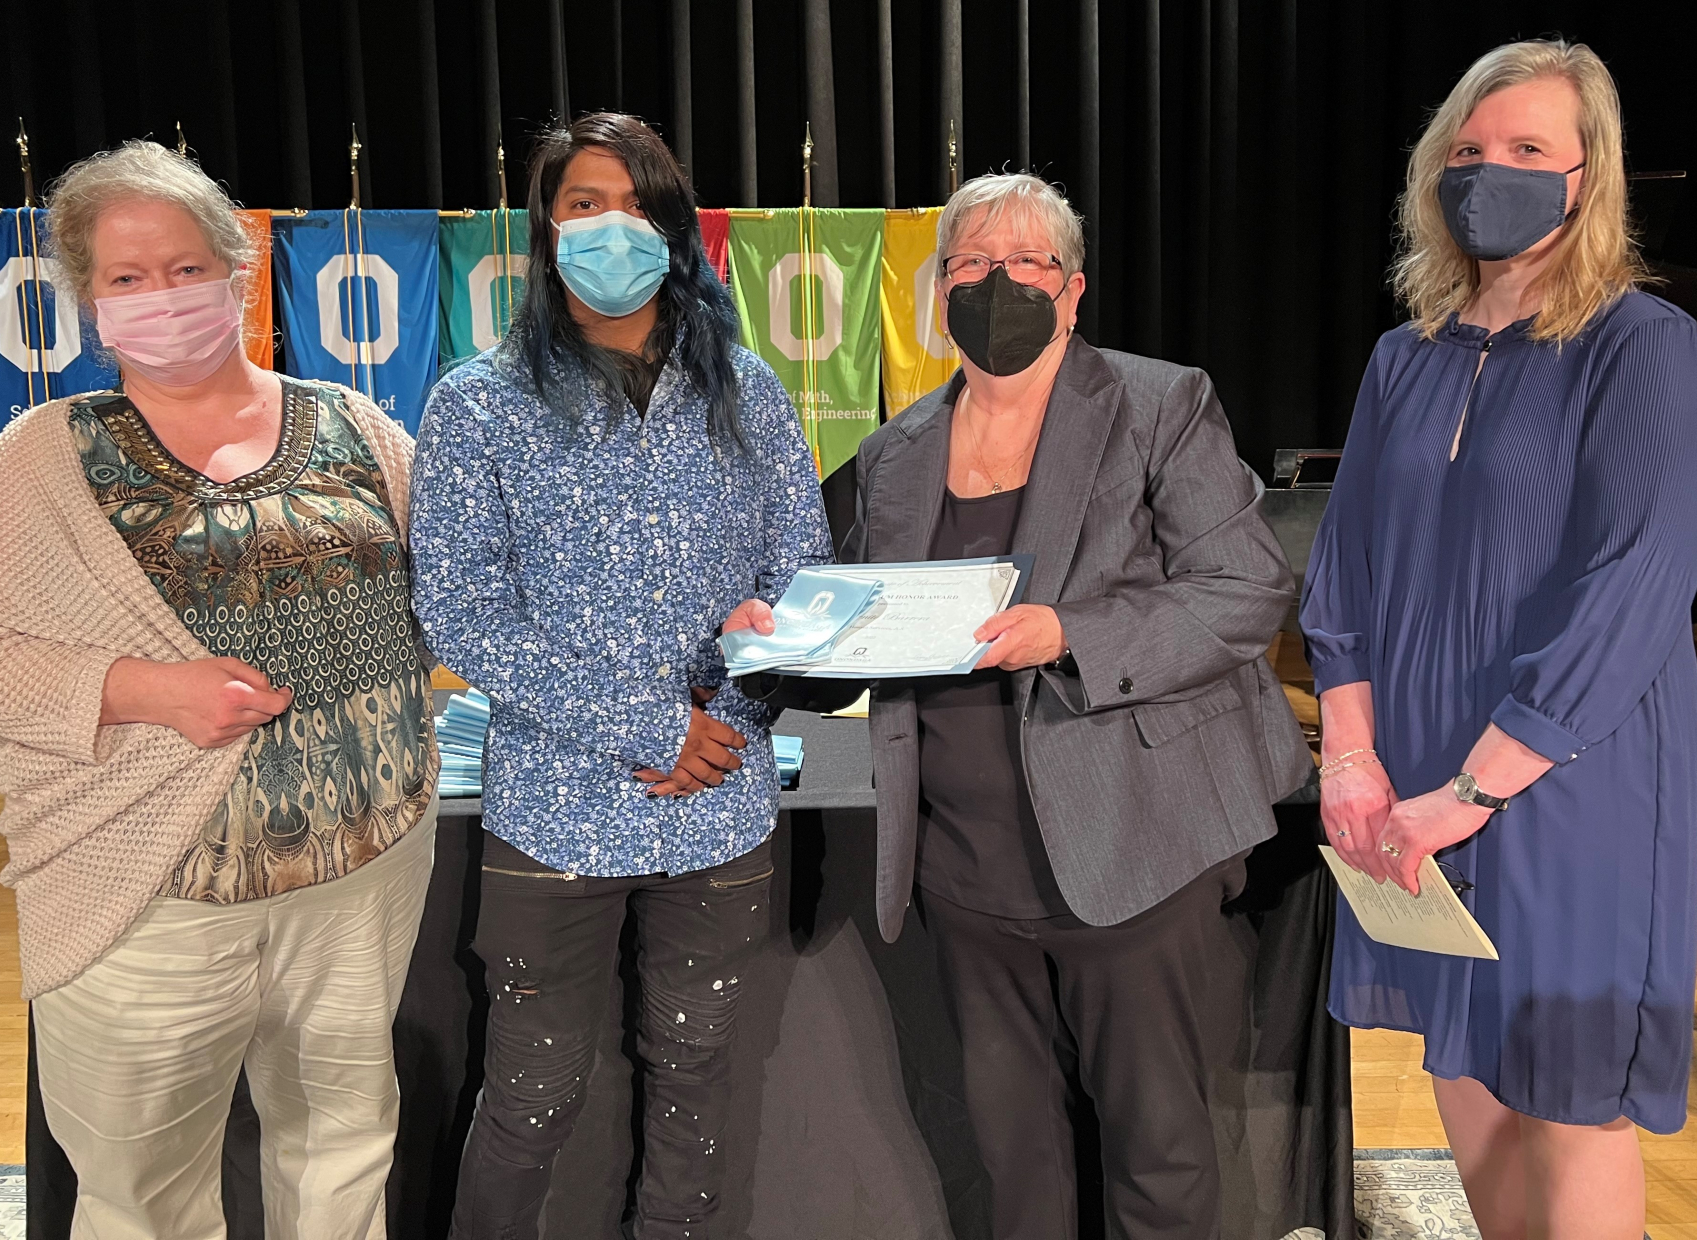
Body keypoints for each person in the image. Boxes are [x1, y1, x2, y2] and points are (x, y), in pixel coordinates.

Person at [728, 172, 1310, 1239]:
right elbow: (860, 632)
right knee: (1011, 1164)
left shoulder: (1156, 405)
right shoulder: (897, 452)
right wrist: (780, 645)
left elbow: (1244, 588)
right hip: (964, 876)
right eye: (968, 265)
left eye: (1023, 264)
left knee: (1158, 1154)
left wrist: (1070, 634)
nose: (995, 284)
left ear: (1072, 290)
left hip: (1131, 858)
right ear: (935, 290)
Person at [0, 141, 439, 1238]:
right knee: (144, 1198)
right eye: (128, 278)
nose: (163, 297)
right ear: (87, 301)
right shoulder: (38, 458)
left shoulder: (355, 424)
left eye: (186, 268)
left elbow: (462, 585)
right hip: (151, 896)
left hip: (361, 873)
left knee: (342, 1155)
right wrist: (139, 687)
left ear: (236, 269)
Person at [409, 113, 833, 1239]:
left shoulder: (745, 388)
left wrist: (732, 705)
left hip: (721, 808)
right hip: (556, 813)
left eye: (634, 204)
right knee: (531, 1100)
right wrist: (649, 726)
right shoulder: (476, 402)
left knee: (694, 1089)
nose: (610, 228)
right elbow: (459, 607)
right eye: (582, 205)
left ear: (673, 228)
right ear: (544, 232)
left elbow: (803, 579)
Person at [1302, 39, 1697, 1239]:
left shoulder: (1639, 344)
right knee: (1460, 1077)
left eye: (1527, 150)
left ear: (1588, 177)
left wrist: (1475, 786)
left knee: (1566, 1100)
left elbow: (1637, 577)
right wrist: (1353, 760)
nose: (1492, 172)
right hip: (1413, 764)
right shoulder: (1401, 358)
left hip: (1566, 778)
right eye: (1468, 152)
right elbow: (1343, 576)